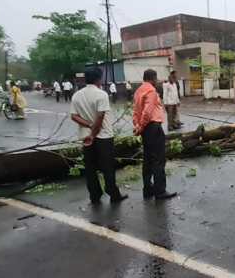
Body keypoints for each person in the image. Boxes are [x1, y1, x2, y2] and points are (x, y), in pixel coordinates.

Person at [71, 68, 127, 205]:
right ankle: (113, 193)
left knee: (90, 168)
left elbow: (74, 116)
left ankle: (95, 195)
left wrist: (89, 127)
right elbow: (100, 116)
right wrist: (94, 133)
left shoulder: (77, 95)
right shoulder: (101, 94)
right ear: (98, 79)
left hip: (86, 137)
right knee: (107, 167)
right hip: (103, 137)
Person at [133, 69, 177, 200]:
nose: (157, 81)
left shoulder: (138, 91)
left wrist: (137, 126)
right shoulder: (151, 91)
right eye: (156, 79)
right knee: (158, 160)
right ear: (152, 78)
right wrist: (141, 126)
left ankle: (148, 189)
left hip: (146, 130)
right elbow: (147, 112)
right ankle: (160, 191)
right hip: (153, 127)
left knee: (147, 160)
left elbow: (135, 111)